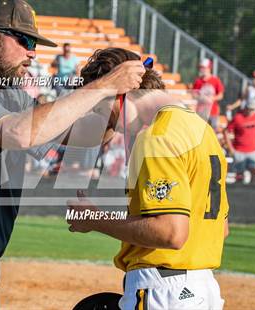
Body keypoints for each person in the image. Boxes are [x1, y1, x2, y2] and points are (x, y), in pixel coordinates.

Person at [0, 1, 145, 309]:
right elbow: (19, 132)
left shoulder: (12, 95)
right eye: (25, 41)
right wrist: (102, 86)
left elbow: (81, 135)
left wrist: (119, 102)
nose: (33, 52)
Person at [67, 48, 229, 310]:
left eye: (100, 107)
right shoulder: (201, 129)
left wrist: (95, 219)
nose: (103, 119)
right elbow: (221, 229)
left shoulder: (157, 135)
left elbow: (171, 233)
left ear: (122, 91)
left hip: (164, 291)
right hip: (203, 289)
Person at [224, 98, 255, 183]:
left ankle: (254, 192)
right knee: (239, 174)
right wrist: (231, 148)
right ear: (245, 107)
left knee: (254, 172)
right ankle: (239, 193)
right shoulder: (238, 118)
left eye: (253, 109)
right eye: (250, 108)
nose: (251, 111)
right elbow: (226, 132)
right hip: (239, 151)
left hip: (253, 150)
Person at [192, 58, 225, 130]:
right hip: (201, 112)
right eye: (200, 67)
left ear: (209, 68)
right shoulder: (198, 81)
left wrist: (212, 98)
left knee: (212, 133)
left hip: (213, 112)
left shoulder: (215, 80)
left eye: (203, 67)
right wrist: (200, 97)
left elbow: (221, 95)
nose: (201, 69)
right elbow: (193, 94)